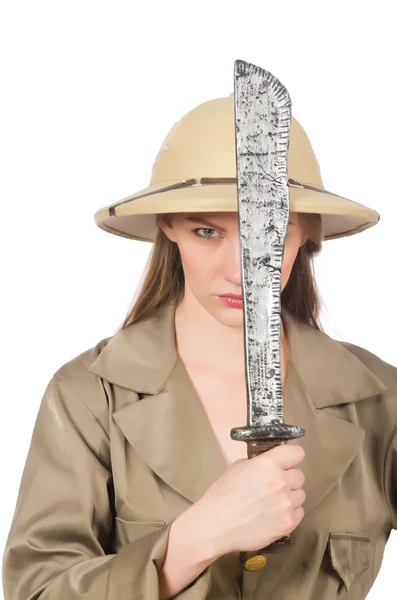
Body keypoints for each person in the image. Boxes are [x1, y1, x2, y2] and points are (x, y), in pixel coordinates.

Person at [2, 93, 397, 600]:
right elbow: (38, 591)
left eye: (269, 235)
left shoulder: (379, 398)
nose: (239, 269)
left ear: (306, 234)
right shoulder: (89, 396)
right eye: (207, 231)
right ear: (168, 225)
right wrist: (196, 537)